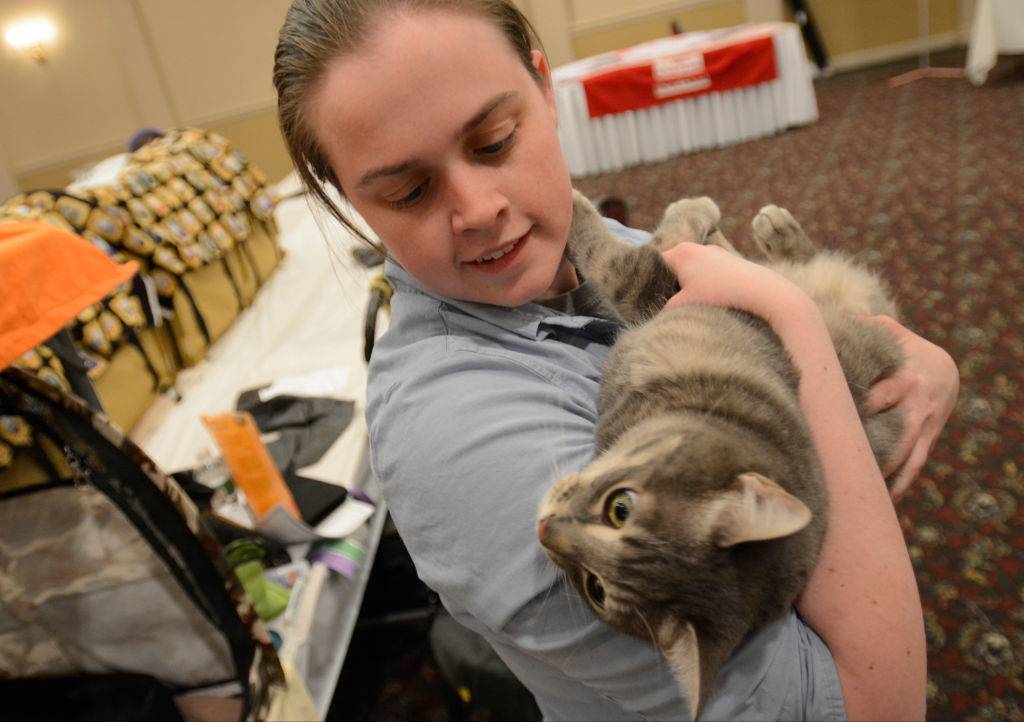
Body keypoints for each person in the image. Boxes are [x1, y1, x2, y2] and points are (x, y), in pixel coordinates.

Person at [273, 1, 959, 719]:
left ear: (545, 87)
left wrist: (916, 361)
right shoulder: (460, 441)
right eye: (409, 192)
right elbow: (876, 705)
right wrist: (798, 329)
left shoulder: (572, 245)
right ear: (348, 198)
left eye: (495, 141)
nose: (477, 210)